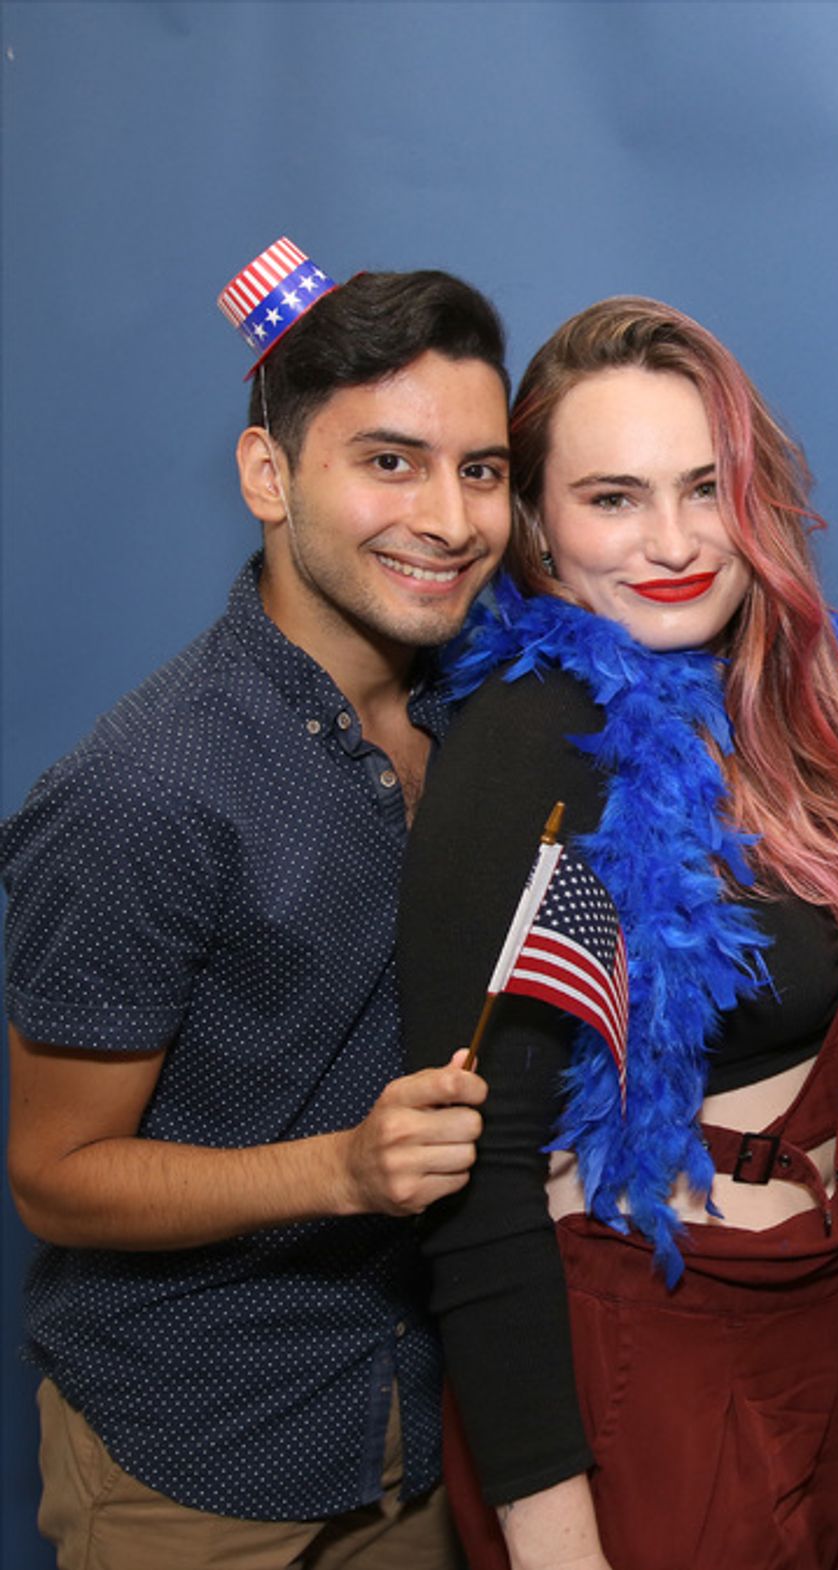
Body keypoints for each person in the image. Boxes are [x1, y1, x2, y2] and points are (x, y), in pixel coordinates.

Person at [397, 297, 838, 1570]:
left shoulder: (805, 724)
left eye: (706, 488)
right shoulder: (526, 743)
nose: (676, 542)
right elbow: (474, 1177)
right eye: (614, 498)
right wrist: (551, 1532)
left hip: (835, 1326)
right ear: (536, 525)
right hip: (644, 1364)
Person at [1, 238, 508, 1567]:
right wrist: (344, 1168)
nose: (450, 517)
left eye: (483, 468)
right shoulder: (145, 791)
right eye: (389, 460)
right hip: (197, 1457)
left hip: (412, 1426)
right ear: (268, 475)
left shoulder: (480, 715)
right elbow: (54, 1178)